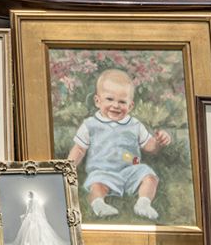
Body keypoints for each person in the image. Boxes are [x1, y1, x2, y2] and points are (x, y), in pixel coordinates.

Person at [68, 66, 172, 220]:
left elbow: (149, 147)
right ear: (97, 101)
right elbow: (79, 149)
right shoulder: (90, 125)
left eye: (122, 102)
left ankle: (143, 203)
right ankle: (98, 204)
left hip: (130, 170)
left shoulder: (135, 125)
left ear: (130, 106)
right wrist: (67, 168)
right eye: (109, 99)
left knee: (150, 177)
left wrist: (159, 142)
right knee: (96, 186)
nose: (115, 105)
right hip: (102, 171)